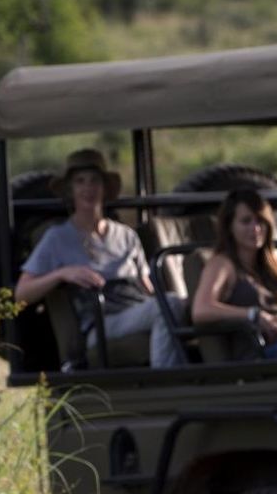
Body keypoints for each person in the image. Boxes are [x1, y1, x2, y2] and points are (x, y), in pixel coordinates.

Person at [14, 148, 185, 368]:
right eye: (80, 182)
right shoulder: (57, 238)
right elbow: (22, 293)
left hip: (136, 308)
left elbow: (147, 287)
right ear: (70, 190)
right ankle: (169, 380)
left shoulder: (125, 235)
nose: (88, 188)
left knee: (178, 305)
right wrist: (62, 273)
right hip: (101, 321)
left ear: (104, 188)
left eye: (95, 181)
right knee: (171, 305)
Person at [191, 188, 277, 359]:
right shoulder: (223, 264)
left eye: (261, 221)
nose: (256, 228)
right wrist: (255, 316)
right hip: (260, 352)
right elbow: (201, 310)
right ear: (230, 227)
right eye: (246, 221)